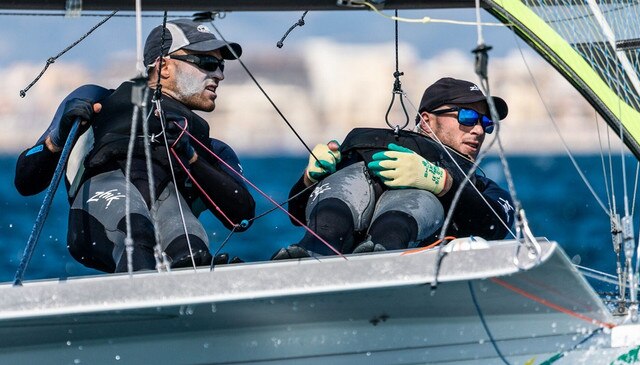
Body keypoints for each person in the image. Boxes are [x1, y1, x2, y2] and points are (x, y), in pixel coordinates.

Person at [14, 19, 255, 272]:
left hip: (169, 210)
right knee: (137, 234)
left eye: (221, 65)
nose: (220, 74)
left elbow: (242, 218)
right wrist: (58, 138)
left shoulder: (208, 146)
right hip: (103, 212)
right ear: (163, 67)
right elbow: (25, 181)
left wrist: (191, 157)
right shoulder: (96, 100)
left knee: (191, 251)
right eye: (208, 63)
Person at [273, 77, 515, 259]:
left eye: (486, 122)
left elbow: (496, 225)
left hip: (406, 271)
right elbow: (296, 214)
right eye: (468, 117)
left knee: (413, 202)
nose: (479, 130)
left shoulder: (482, 186)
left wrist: (442, 183)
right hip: (328, 250)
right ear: (426, 121)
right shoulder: (364, 150)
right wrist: (309, 180)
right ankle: (310, 253)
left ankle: (382, 249)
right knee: (345, 189)